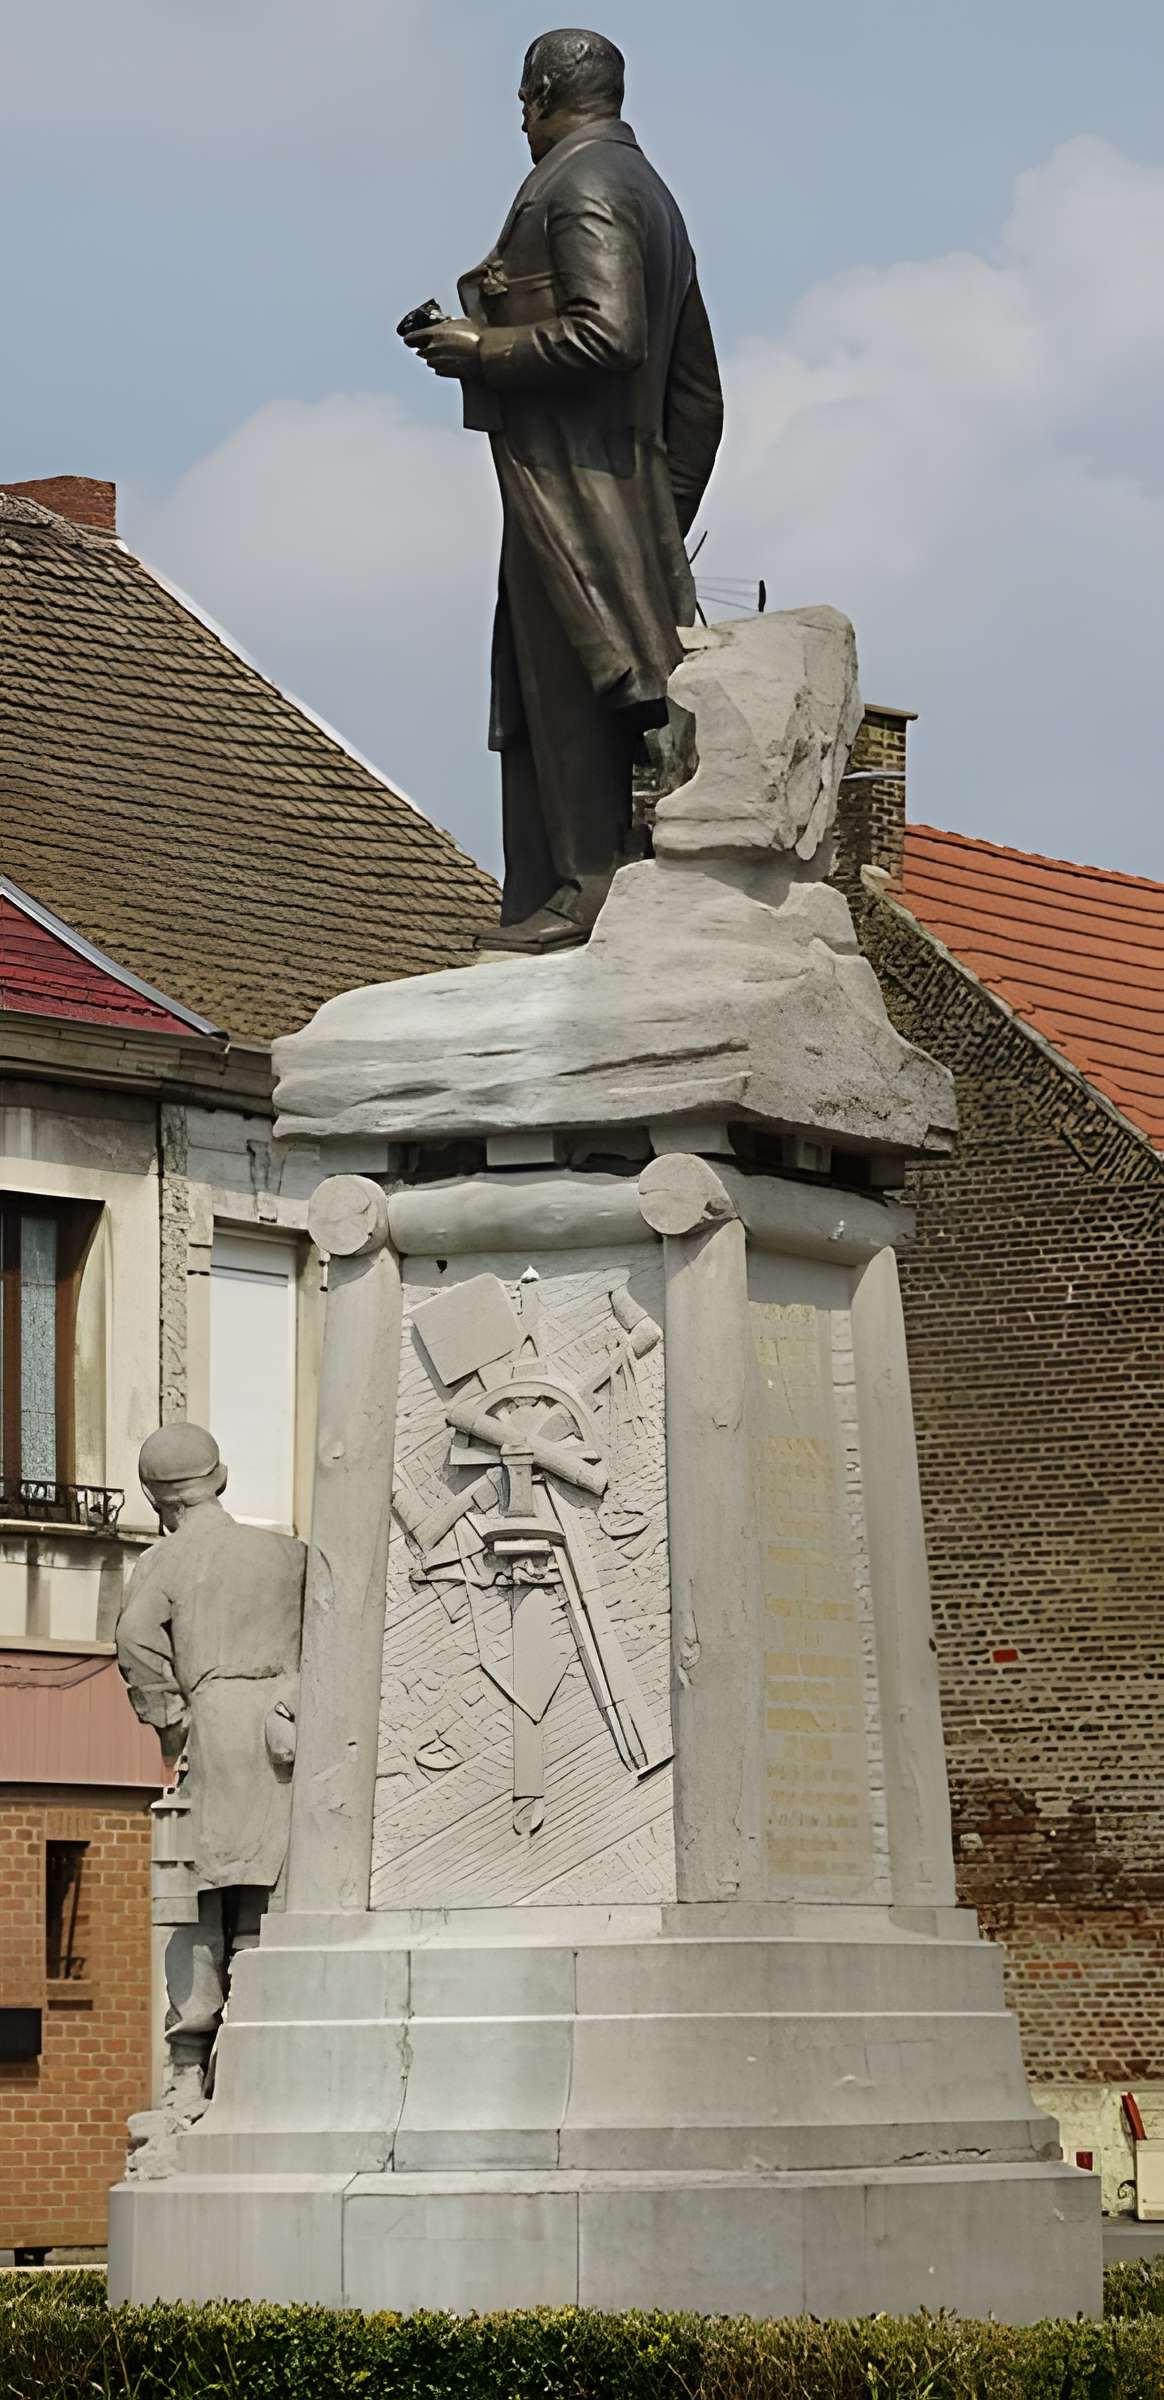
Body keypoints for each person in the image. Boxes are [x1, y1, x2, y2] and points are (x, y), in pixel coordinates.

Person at [403, 27, 723, 951]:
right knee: (549, 682)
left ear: (544, 92)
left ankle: (575, 895)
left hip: (568, 487)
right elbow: (698, 393)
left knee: (562, 685)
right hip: (611, 487)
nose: (518, 115)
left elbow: (609, 332)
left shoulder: (580, 183)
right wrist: (660, 510)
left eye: (522, 96)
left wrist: (482, 348)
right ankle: (561, 892)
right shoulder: (654, 197)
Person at [116, 1423, 305, 2098]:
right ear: (220, 1479)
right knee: (270, 1888)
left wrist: (170, 1720)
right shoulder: (290, 1554)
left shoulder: (166, 1562)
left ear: (154, 1498)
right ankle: (260, 2042)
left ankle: (190, 2061)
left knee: (202, 1896)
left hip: (216, 1721)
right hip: (289, 1722)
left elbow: (135, 1642)